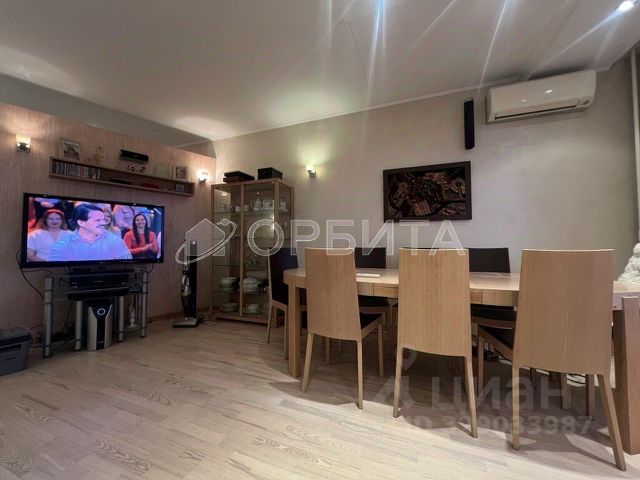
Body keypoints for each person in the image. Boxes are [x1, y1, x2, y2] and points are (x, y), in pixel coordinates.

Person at [49, 204, 132, 261]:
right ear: (81, 223)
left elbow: (126, 265)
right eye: (98, 220)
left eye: (103, 219)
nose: (103, 223)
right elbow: (56, 271)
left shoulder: (114, 240)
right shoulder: (63, 244)